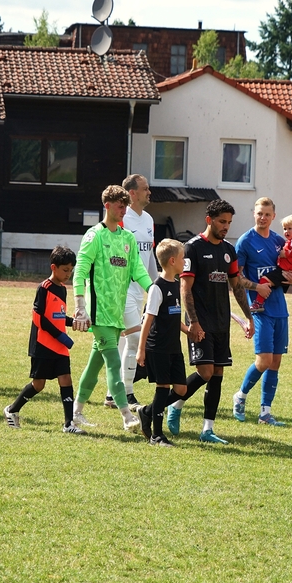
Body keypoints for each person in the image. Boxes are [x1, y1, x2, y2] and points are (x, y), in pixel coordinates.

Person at [164, 199, 255, 444]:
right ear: (209, 220)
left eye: (229, 222)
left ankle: (207, 429)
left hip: (221, 322)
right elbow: (185, 288)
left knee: (217, 373)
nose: (226, 226)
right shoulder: (192, 248)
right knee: (204, 372)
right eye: (222, 221)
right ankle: (172, 405)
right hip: (200, 321)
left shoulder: (229, 250)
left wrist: (248, 317)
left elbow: (237, 285)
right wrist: (193, 322)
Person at [69, 185, 153, 431]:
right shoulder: (95, 235)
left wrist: (154, 290)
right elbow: (80, 271)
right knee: (114, 363)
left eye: (126, 206)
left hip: (117, 314)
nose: (124, 210)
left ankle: (76, 412)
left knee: (94, 364)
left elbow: (138, 270)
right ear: (107, 206)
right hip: (99, 314)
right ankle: (127, 416)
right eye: (119, 206)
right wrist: (80, 305)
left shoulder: (127, 238)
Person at [232, 198, 292, 427]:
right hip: (259, 309)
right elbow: (236, 278)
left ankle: (265, 413)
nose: (263, 218)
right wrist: (256, 287)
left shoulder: (280, 241)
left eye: (267, 214)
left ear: (273, 216)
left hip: (280, 309)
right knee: (264, 360)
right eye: (260, 213)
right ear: (254, 213)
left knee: (275, 362)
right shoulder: (245, 241)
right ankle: (240, 396)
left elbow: (291, 270)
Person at [3, 246, 80, 433]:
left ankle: (68, 424)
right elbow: (38, 318)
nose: (68, 274)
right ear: (54, 267)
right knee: (39, 385)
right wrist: (60, 335)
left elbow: (58, 317)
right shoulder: (44, 288)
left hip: (59, 345)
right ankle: (12, 410)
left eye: (71, 270)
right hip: (43, 344)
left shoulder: (63, 289)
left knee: (66, 379)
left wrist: (73, 322)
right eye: (65, 270)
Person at [103, 174, 158, 411]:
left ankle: (111, 393)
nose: (149, 192)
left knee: (124, 342)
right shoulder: (121, 219)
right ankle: (126, 392)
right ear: (132, 193)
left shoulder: (149, 219)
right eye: (145, 189)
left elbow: (149, 256)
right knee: (134, 339)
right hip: (122, 291)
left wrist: (156, 285)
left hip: (139, 292)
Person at [136, 239, 190, 447]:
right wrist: (141, 350)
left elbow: (173, 316)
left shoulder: (176, 284)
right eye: (182, 258)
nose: (185, 262)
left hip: (174, 346)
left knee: (181, 389)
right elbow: (148, 320)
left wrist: (188, 331)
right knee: (163, 387)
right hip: (158, 347)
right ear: (172, 261)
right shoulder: (157, 288)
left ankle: (147, 411)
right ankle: (157, 436)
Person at [249, 212, 292, 313]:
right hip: (288, 271)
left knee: (264, 280)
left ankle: (258, 303)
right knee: (272, 283)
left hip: (285, 271)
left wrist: (285, 253)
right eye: (285, 229)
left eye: (289, 228)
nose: (286, 231)